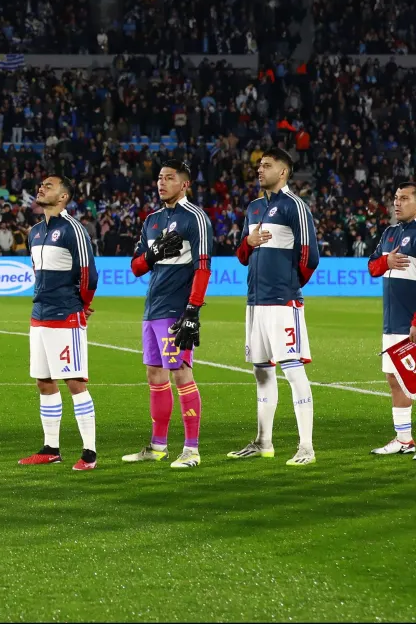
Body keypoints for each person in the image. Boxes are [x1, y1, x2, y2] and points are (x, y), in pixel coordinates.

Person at [230, 149, 320, 466]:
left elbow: (310, 257)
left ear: (283, 172)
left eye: (267, 165)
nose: (260, 169)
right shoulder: (254, 208)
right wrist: (249, 243)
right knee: (262, 372)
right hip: (255, 302)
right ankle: (263, 442)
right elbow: (242, 255)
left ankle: (306, 446)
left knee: (293, 370)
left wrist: (288, 287)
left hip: (282, 302)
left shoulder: (295, 206)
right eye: (258, 164)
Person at [123, 160, 213, 468]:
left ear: (185, 184)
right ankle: (157, 446)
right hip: (152, 308)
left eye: (169, 178)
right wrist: (152, 254)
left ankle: (191, 449)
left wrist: (192, 311)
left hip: (176, 309)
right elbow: (136, 267)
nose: (162, 183)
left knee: (180, 373)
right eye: (160, 178)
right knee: (154, 374)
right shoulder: (152, 220)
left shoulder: (196, 218)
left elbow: (203, 267)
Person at [18, 175, 100, 471]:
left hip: (65, 316)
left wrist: (82, 306)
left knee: (74, 382)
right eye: (41, 185)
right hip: (39, 316)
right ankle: (51, 448)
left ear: (64, 196)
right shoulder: (35, 232)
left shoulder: (73, 230)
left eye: (48, 186)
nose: (41, 188)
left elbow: (89, 274)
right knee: (44, 381)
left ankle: (89, 452)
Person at [366, 181, 416, 455]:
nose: (398, 202)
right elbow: (372, 267)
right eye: (396, 198)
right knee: (395, 378)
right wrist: (386, 262)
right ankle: (404, 439)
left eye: (405, 198)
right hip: (392, 322)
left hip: (411, 323)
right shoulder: (389, 233)